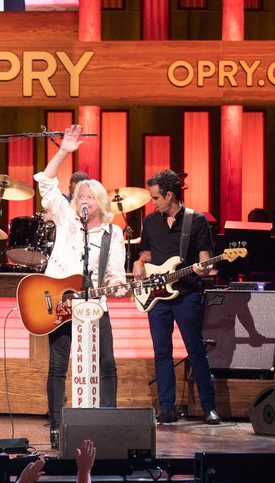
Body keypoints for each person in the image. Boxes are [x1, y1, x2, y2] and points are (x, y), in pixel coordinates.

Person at [34, 125, 128, 447]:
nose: (82, 199)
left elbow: (115, 274)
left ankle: (107, 422)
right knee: (58, 364)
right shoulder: (66, 220)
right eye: (79, 196)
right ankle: (58, 427)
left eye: (89, 196)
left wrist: (118, 286)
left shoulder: (113, 234)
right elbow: (46, 183)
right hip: (58, 301)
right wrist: (64, 151)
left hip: (94, 304)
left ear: (100, 203)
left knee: (107, 364)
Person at [133, 169, 220, 425]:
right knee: (162, 352)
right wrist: (139, 262)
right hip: (157, 298)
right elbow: (147, 254)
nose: (153, 202)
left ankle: (208, 407)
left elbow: (206, 262)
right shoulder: (150, 222)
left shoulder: (197, 221)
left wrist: (202, 268)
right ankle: (167, 409)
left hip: (187, 294)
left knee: (196, 350)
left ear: (170, 195)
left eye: (156, 197)